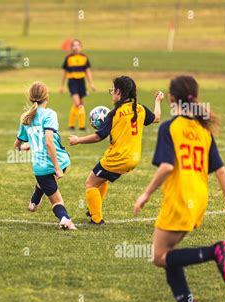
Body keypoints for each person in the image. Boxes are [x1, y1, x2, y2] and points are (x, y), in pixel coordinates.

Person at [133, 75, 225, 302]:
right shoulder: (203, 131)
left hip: (180, 199)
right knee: (169, 253)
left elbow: (167, 166)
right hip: (199, 199)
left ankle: (215, 251)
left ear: (171, 98)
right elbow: (221, 171)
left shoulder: (170, 128)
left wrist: (146, 194)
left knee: (159, 257)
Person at [69, 76, 163, 224]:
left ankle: (96, 219)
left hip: (117, 158)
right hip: (134, 158)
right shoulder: (140, 109)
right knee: (101, 179)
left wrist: (77, 140)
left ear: (119, 92)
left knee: (90, 183)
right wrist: (158, 101)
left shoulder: (114, 114)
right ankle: (95, 207)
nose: (112, 93)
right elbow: (157, 117)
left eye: (113, 90)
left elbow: (99, 136)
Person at [14, 81, 76, 230]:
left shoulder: (26, 118)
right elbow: (49, 142)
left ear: (30, 97)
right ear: (47, 96)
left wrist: (26, 146)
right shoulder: (49, 114)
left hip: (40, 168)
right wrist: (57, 168)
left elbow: (17, 146)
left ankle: (38, 199)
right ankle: (64, 219)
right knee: (56, 201)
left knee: (51, 192)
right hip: (61, 161)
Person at [59, 39, 96, 130]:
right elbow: (64, 73)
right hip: (72, 82)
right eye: (74, 45)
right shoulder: (68, 58)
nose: (76, 47)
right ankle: (74, 125)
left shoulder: (84, 58)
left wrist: (91, 84)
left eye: (78, 45)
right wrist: (61, 86)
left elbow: (88, 72)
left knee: (81, 104)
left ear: (81, 47)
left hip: (81, 82)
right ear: (71, 48)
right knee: (77, 103)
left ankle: (80, 126)